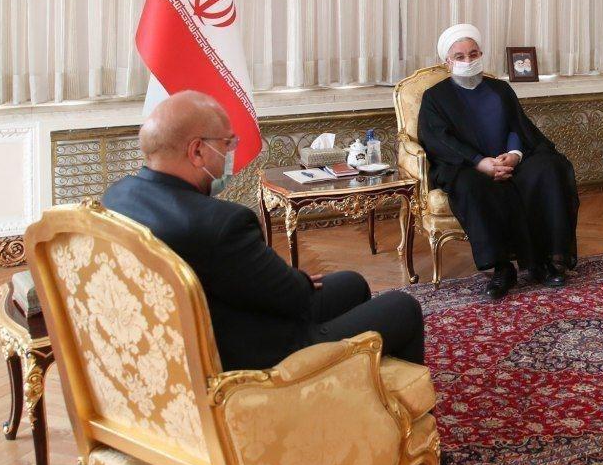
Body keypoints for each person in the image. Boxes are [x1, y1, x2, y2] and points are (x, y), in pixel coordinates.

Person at [103, 90, 425, 372]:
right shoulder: (220, 223)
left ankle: (359, 385)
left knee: (351, 284)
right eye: (227, 143)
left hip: (197, 335)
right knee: (403, 308)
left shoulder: (117, 198)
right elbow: (293, 299)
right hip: (261, 355)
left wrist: (290, 282)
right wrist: (295, 282)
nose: (231, 154)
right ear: (197, 151)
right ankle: (381, 405)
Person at [418, 23, 580, 299]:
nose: (468, 60)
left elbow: (517, 127)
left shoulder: (500, 89)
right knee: (470, 186)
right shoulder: (435, 97)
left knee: (551, 167)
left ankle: (544, 261)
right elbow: (440, 140)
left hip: (509, 159)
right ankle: (502, 268)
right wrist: (480, 162)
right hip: (468, 165)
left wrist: (514, 156)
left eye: (473, 54)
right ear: (447, 62)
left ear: (481, 55)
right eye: (460, 56)